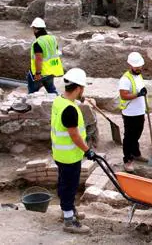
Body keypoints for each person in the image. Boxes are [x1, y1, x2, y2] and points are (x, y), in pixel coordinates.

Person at [51, 68, 97, 234]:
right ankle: (69, 221)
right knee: (69, 187)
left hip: (59, 154)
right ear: (78, 88)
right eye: (82, 88)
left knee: (65, 183)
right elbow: (74, 136)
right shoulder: (70, 110)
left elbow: (70, 103)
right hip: (70, 156)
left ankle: (68, 210)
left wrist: (82, 99)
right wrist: (87, 150)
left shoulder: (59, 100)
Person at [118, 52, 148, 172]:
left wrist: (143, 93)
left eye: (140, 66)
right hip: (130, 113)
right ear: (130, 65)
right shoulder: (125, 79)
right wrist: (137, 94)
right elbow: (124, 95)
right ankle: (128, 159)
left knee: (137, 134)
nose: (139, 68)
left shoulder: (138, 75)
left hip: (140, 111)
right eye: (136, 66)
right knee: (129, 137)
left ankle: (136, 153)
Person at [28, 17, 64, 94]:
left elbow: (39, 59)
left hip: (41, 73)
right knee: (52, 91)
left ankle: (31, 104)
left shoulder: (38, 43)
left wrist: (38, 73)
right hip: (51, 71)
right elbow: (55, 51)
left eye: (33, 29)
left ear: (35, 29)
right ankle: (56, 103)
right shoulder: (53, 39)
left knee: (32, 93)